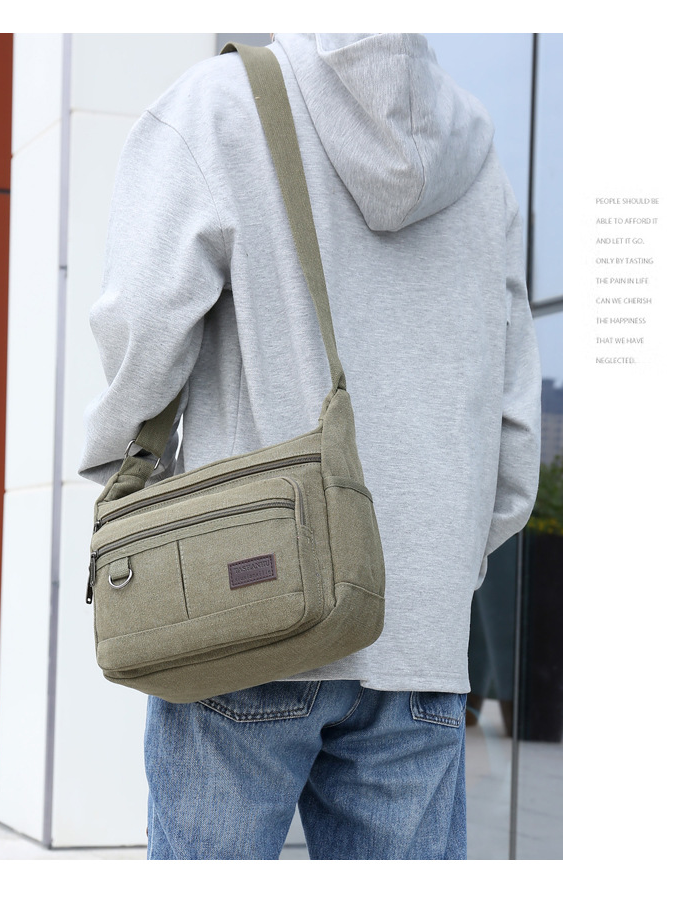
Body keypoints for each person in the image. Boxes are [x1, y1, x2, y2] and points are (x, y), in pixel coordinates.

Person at [79, 32, 541, 860]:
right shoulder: (482, 161)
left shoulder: (219, 106)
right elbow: (514, 429)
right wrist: (441, 567)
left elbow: (143, 327)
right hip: (421, 640)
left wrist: (125, 483)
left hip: (243, 605)